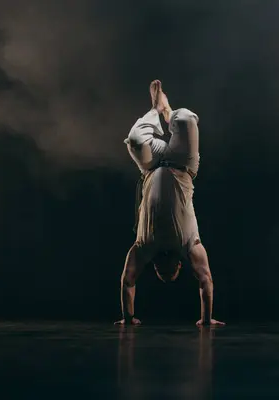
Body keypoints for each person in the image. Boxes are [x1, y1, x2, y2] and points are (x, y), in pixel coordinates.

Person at [115, 80, 224, 327]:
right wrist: (206, 320)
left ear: (154, 267)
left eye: (159, 273)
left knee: (134, 140)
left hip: (151, 165)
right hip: (182, 163)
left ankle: (156, 109)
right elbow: (205, 279)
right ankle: (168, 111)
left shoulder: (144, 246)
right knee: (185, 119)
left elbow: (128, 281)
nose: (163, 272)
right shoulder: (189, 246)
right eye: (170, 273)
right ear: (178, 266)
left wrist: (128, 318)